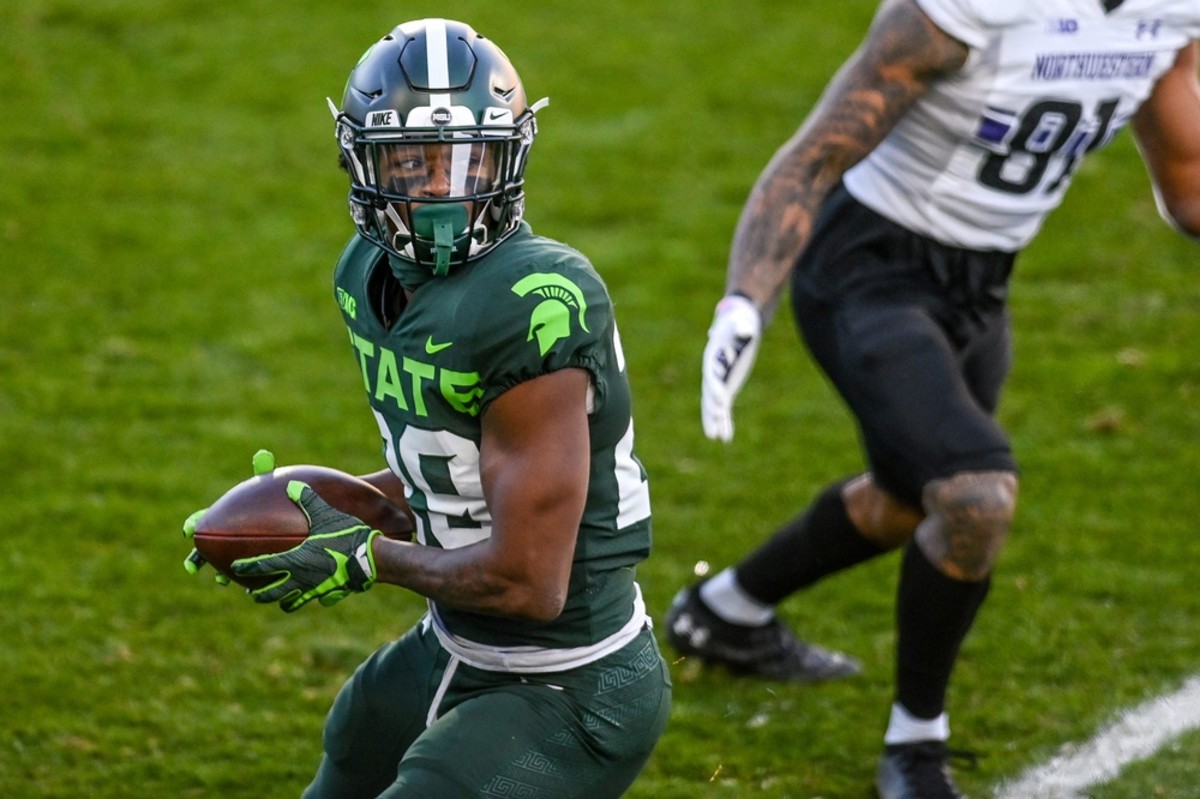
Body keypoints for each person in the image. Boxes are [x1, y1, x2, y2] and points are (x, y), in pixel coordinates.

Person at [666, 1, 1200, 797]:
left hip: (982, 286)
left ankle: (725, 609)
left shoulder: (1169, 11)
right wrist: (744, 301)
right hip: (867, 273)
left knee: (910, 496)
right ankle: (916, 741)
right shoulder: (972, 7)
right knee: (973, 493)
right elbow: (812, 157)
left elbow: (1188, 187)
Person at [182, 18, 670, 798]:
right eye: (411, 163)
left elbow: (529, 582)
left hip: (573, 678)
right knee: (360, 730)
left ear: (510, 157)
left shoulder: (536, 297)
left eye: (469, 160)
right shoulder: (363, 274)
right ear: (358, 162)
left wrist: (367, 556)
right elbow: (454, 469)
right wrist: (332, 504)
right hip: (458, 643)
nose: (444, 191)